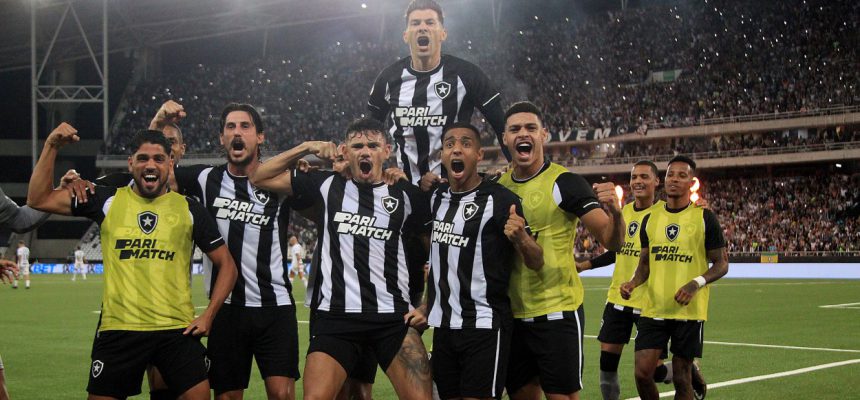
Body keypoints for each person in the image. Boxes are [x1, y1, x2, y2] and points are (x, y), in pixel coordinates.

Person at [27, 124, 238, 400]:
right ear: (131, 164)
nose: (150, 165)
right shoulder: (106, 199)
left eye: (159, 159)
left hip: (176, 330)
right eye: (143, 158)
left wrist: (208, 315)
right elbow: (37, 199)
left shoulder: (189, 208)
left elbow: (228, 266)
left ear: (170, 163)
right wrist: (51, 146)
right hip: (119, 329)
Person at [250, 117, 434, 400]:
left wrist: (426, 304)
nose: (365, 151)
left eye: (372, 145)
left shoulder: (405, 194)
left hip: (391, 318)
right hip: (336, 319)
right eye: (357, 145)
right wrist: (306, 147)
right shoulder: (325, 186)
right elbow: (259, 176)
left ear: (386, 151)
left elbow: (438, 251)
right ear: (345, 152)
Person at [155, 101, 303, 400]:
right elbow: (154, 166)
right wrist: (158, 122)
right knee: (226, 397)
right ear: (222, 138)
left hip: (275, 306)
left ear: (259, 137)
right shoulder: (204, 179)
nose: (237, 133)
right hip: (226, 309)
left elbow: (332, 186)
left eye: (245, 126)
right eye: (230, 127)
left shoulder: (281, 181)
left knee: (282, 394)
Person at [497, 101, 625, 400]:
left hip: (557, 312)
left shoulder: (565, 182)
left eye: (530, 127)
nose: (522, 134)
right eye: (514, 129)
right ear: (504, 138)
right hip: (514, 316)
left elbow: (613, 242)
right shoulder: (498, 186)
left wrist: (616, 214)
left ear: (544, 135)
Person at [415, 122, 543, 399]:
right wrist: (427, 305)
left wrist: (521, 237)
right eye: (449, 144)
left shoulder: (501, 200)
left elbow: (536, 261)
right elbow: (437, 261)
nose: (456, 149)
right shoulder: (436, 198)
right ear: (443, 155)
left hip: (484, 325)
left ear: (479, 155)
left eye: (465, 143)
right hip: (445, 327)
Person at [576, 161, 705, 400]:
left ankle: (687, 372)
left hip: (650, 303)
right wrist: (585, 265)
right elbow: (617, 249)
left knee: (651, 373)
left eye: (645, 177)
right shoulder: (623, 211)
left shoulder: (668, 213)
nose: (637, 181)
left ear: (657, 182)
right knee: (606, 366)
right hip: (618, 297)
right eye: (634, 177)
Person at [368, 0, 508, 190]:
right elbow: (368, 132)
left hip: (455, 190)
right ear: (406, 35)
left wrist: (516, 166)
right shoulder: (388, 78)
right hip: (406, 191)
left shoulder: (467, 74)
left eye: (430, 22)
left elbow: (502, 127)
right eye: (415, 23)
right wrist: (375, 171)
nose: (422, 28)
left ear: (443, 33)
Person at [620, 155, 728, 400]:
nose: (674, 180)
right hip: (653, 308)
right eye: (670, 174)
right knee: (642, 373)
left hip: (688, 312)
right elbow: (645, 265)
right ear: (664, 179)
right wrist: (633, 282)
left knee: (682, 377)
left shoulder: (704, 218)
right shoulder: (651, 218)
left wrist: (695, 283)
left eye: (682, 175)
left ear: (692, 182)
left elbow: (721, 264)